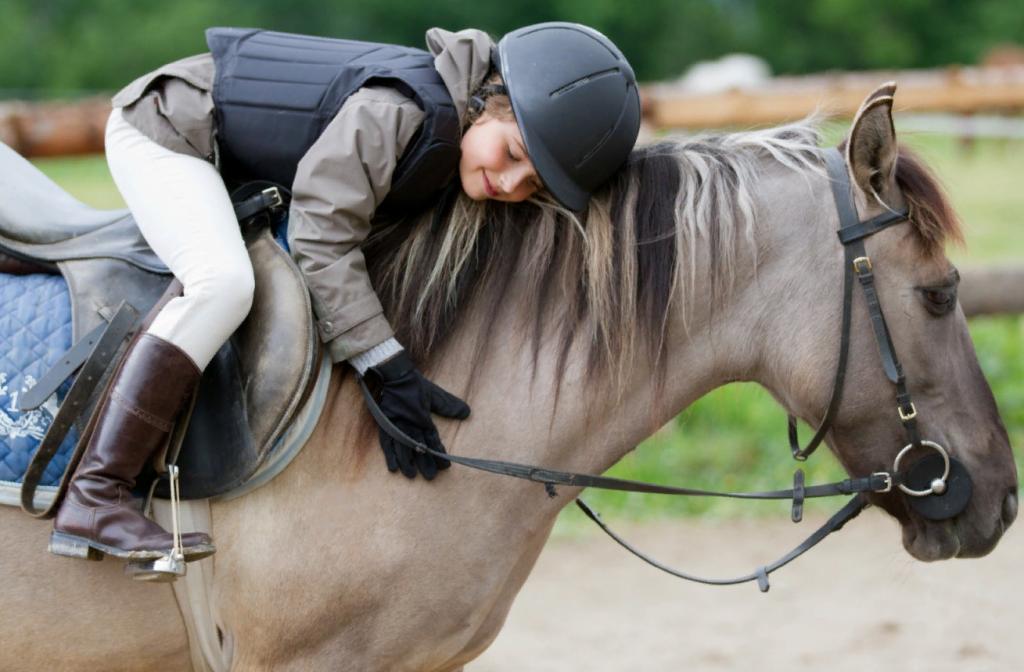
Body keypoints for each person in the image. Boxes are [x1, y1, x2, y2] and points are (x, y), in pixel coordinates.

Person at [49, 22, 641, 565]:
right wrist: (384, 363)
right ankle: (96, 491)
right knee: (222, 284)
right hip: (166, 130)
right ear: (485, 104)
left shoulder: (453, 129)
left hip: (223, 151)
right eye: (512, 154)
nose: (507, 183)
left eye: (530, 182)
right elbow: (322, 232)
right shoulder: (399, 112)